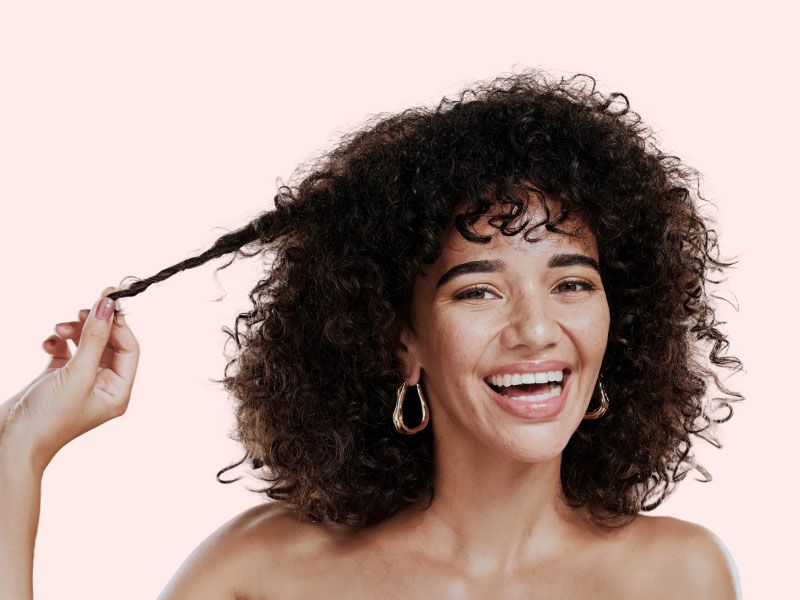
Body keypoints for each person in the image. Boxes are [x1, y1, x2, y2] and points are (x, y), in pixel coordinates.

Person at [0, 70, 743, 598]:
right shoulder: (270, 572)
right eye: (478, 290)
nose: (537, 329)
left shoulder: (676, 577)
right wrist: (19, 454)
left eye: (572, 283)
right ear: (401, 341)